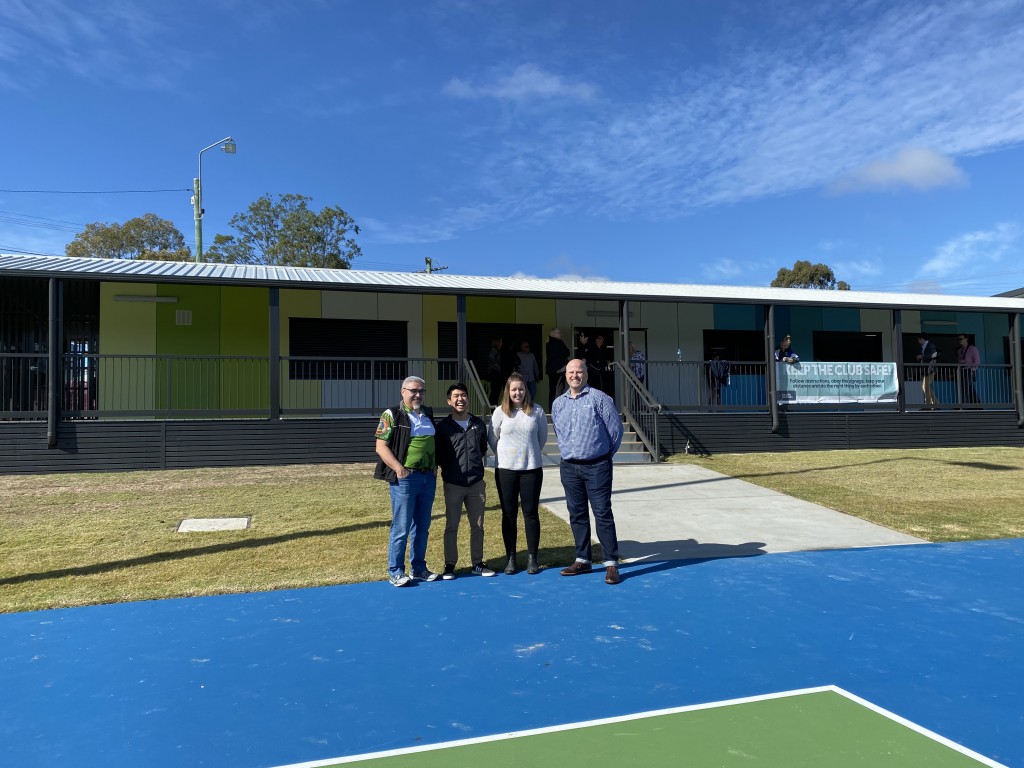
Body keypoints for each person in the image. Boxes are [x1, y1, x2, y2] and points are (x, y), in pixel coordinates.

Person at [552, 359, 624, 585]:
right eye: (571, 372)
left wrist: (602, 456)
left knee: (602, 513)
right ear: (566, 375)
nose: (575, 375)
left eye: (579, 371)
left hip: (597, 466)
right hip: (569, 467)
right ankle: (583, 559)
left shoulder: (600, 399)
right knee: (577, 514)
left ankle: (611, 564)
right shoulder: (557, 404)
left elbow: (616, 432)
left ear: (585, 374)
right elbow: (559, 431)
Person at [373, 375, 439, 587]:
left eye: (421, 391)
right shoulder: (391, 414)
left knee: (422, 526)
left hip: (428, 478)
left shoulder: (428, 413)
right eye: (413, 391)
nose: (417, 394)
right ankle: (396, 571)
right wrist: (399, 469)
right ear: (403, 392)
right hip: (406, 478)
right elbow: (380, 447)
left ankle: (419, 568)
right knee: (401, 526)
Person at [488, 372, 548, 575]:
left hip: (531, 469)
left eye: (521, 389)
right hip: (506, 470)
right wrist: (505, 455)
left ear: (526, 391)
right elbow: (493, 438)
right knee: (509, 514)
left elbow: (541, 439)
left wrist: (528, 454)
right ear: (508, 391)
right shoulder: (499, 413)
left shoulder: (537, 411)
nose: (518, 392)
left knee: (530, 513)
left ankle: (533, 557)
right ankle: (511, 557)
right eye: (514, 389)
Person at [545, 328, 571, 409]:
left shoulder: (548, 342)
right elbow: (567, 353)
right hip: (560, 369)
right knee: (559, 390)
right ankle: (558, 408)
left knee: (552, 390)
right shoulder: (559, 342)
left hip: (551, 370)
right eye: (559, 333)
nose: (560, 334)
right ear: (553, 333)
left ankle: (551, 408)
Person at [916, 334, 939, 409]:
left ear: (922, 339)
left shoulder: (930, 345)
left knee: (925, 386)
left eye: (918, 339)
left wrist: (922, 356)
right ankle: (935, 404)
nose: (918, 341)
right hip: (925, 370)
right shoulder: (923, 347)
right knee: (925, 386)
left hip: (930, 369)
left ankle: (928, 404)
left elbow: (934, 355)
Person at [956, 334, 980, 405]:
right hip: (962, 371)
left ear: (966, 339)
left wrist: (972, 370)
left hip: (969, 370)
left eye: (961, 339)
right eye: (958, 339)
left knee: (966, 388)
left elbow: (977, 362)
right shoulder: (960, 350)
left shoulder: (972, 349)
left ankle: (966, 405)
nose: (959, 341)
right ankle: (976, 404)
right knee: (966, 388)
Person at [487, 338, 504, 405]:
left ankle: (493, 406)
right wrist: (497, 363)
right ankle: (493, 406)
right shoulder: (494, 350)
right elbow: (491, 357)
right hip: (495, 373)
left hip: (495, 373)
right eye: (500, 342)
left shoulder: (497, 351)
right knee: (495, 391)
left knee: (495, 391)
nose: (501, 344)